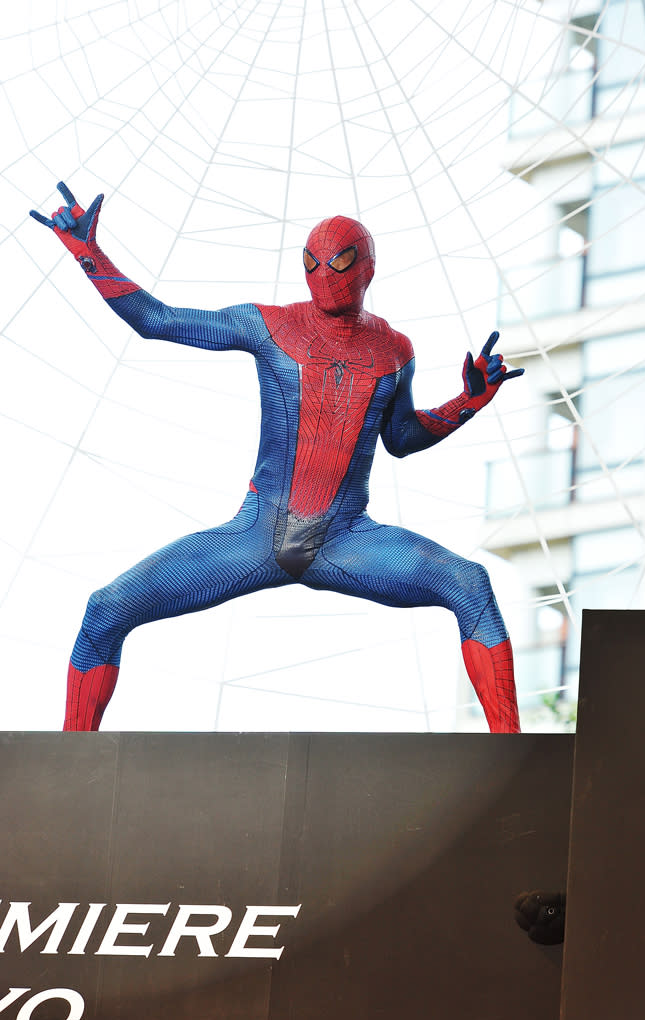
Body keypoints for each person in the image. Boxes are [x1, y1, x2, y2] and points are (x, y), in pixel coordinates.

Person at [31, 182, 524, 733]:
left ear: (369, 269)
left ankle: (514, 761)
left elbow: (402, 438)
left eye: (338, 261)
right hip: (256, 535)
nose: (326, 274)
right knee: (104, 610)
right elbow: (158, 320)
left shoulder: (394, 351)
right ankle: (71, 767)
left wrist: (468, 403)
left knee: (470, 586)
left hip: (346, 539)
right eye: (313, 262)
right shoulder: (271, 324)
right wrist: (87, 251)